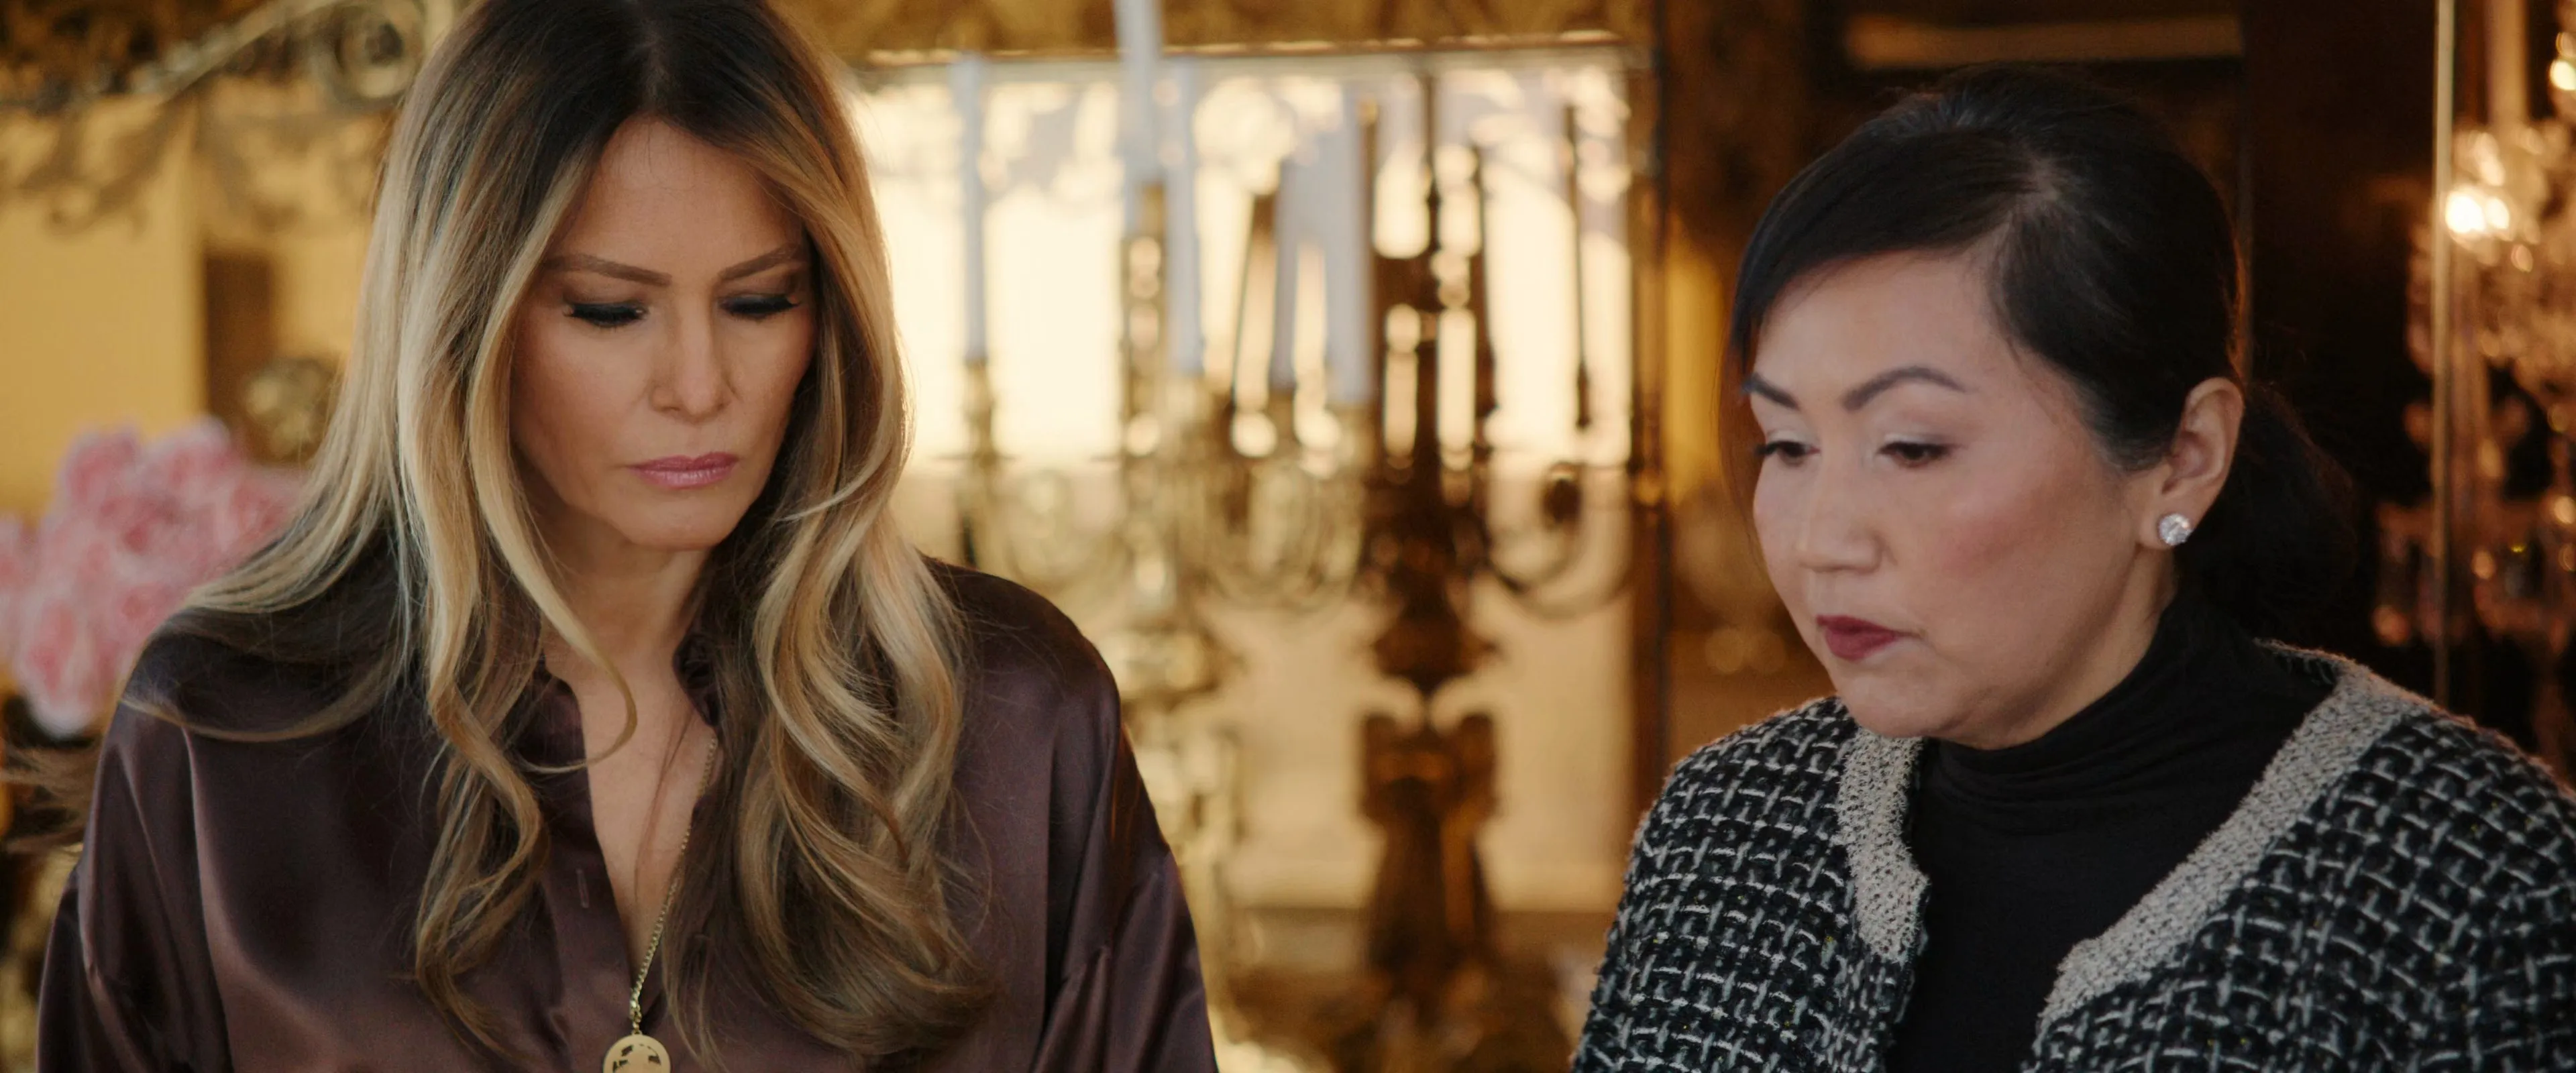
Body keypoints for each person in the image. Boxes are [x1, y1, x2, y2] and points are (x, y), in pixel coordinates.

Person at [32, 1, 1215, 1069]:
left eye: (760, 300)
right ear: (465, 320)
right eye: (610, 310)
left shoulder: (1015, 722)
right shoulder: (222, 737)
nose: (699, 386)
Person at [1574, 65, 2576, 1071]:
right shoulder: (1728, 829)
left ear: (2183, 459)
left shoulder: (2475, 887)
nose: (1819, 540)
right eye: (1787, 445)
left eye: (1913, 447)